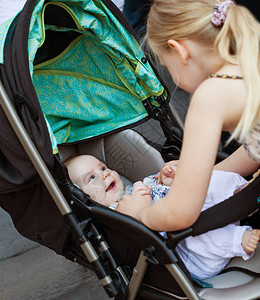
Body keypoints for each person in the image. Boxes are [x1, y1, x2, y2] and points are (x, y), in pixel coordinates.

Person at [116, 0, 260, 233]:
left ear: (180, 51)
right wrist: (202, 172)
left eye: (166, 65)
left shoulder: (211, 95)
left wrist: (140, 214)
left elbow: (180, 213)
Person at [65, 154, 260, 280]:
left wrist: (168, 180)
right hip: (192, 254)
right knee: (185, 230)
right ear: (82, 200)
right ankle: (237, 239)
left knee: (200, 182)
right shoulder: (115, 217)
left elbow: (166, 188)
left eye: (103, 168)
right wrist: (140, 213)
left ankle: (239, 192)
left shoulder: (138, 186)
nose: (104, 175)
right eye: (91, 178)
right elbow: (144, 234)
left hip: (210, 217)